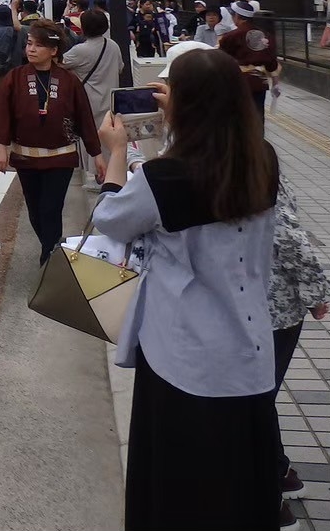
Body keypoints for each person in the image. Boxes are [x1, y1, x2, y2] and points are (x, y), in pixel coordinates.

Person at [92, 48, 280, 531]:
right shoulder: (262, 160)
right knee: (241, 480)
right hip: (250, 347)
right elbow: (207, 170)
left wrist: (118, 153)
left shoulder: (165, 177)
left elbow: (110, 219)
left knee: (180, 488)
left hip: (183, 354)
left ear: (186, 103)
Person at [0, 21, 102, 265]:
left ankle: (49, 258)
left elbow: (85, 119)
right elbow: (2, 113)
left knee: (51, 208)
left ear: (54, 50)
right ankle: (51, 248)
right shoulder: (15, 77)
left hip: (61, 156)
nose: (31, 49)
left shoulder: (69, 80)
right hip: (26, 156)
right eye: (29, 44)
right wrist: (1, 148)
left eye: (38, 45)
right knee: (35, 211)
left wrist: (97, 154)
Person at [269, 181, 330, 521]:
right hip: (273, 313)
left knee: (254, 400)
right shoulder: (260, 169)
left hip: (269, 314)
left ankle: (272, 485)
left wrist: (317, 295)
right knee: (258, 399)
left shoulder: (245, 170)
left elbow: (290, 238)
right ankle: (280, 473)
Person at [60, 8, 123, 192]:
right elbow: (120, 68)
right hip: (111, 99)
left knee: (90, 138)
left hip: (89, 100)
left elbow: (58, 64)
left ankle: (98, 176)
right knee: (107, 140)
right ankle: (108, 176)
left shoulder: (80, 50)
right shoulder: (113, 45)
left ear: (84, 27)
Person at [218, 0, 279, 121]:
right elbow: (272, 63)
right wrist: (275, 82)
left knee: (238, 116)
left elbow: (221, 58)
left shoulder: (231, 36)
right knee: (257, 115)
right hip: (259, 81)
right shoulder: (266, 35)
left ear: (237, 16)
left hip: (237, 81)